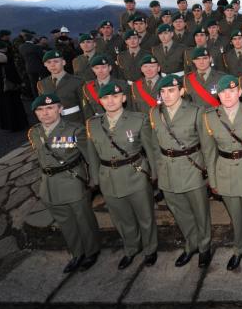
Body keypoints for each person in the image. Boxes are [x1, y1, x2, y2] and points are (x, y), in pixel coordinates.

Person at [86, 82, 159, 270]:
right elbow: (92, 155)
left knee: (145, 216)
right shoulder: (92, 124)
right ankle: (131, 248)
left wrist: (154, 173)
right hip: (108, 178)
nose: (110, 101)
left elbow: (150, 149)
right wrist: (95, 178)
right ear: (100, 101)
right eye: (105, 97)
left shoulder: (138, 119)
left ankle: (150, 249)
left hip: (135, 174)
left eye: (115, 96)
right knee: (121, 217)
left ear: (123, 98)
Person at [200, 75, 242, 271]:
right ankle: (239, 249)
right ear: (217, 95)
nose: (227, 95)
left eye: (231, 91)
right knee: (235, 216)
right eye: (223, 92)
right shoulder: (209, 117)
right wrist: (212, 180)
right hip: (225, 171)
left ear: (239, 92)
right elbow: (209, 152)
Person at [28, 93, 100, 273]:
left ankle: (92, 251)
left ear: (60, 109)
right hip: (49, 186)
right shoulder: (34, 132)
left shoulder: (75, 130)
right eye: (40, 110)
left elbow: (90, 157)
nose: (45, 113)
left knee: (83, 219)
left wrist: (94, 180)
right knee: (65, 223)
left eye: (50, 108)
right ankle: (77, 253)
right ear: (36, 113)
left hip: (72, 181)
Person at [150, 75, 212, 268]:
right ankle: (191, 243)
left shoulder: (196, 111)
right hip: (167, 170)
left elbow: (208, 145)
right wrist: (157, 170)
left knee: (200, 211)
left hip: (191, 167)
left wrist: (209, 173)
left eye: (171, 90)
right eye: (163, 92)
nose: (167, 96)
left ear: (181, 91)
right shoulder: (154, 112)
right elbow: (154, 144)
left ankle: (204, 247)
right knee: (179, 211)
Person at [0, 41, 29, 131]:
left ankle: (5, 125)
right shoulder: (7, 65)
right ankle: (18, 124)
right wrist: (21, 83)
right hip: (10, 89)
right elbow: (15, 76)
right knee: (14, 107)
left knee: (2, 108)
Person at [37, 50, 85, 124]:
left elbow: (85, 107)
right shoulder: (42, 84)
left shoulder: (77, 81)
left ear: (63, 62)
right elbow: (42, 106)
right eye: (49, 62)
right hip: (53, 124)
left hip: (75, 122)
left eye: (56, 61)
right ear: (45, 65)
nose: (52, 65)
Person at [81, 55, 131, 119]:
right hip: (99, 122)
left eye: (103, 67)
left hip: (120, 120)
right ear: (93, 70)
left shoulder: (122, 85)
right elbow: (87, 110)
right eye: (97, 68)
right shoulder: (87, 87)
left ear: (110, 68)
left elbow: (129, 107)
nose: (100, 71)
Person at [18, 32, 46, 98]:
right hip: (39, 68)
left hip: (29, 68)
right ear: (32, 39)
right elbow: (42, 57)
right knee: (43, 83)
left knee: (33, 84)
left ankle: (36, 97)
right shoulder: (36, 47)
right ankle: (44, 96)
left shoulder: (21, 47)